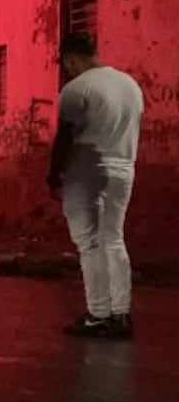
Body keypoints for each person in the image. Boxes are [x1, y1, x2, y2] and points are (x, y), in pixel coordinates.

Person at [49, 33, 143, 339]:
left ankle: (98, 313)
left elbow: (64, 138)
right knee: (113, 239)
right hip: (124, 168)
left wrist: (54, 175)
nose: (67, 69)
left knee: (89, 244)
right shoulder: (130, 85)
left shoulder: (76, 89)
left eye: (66, 63)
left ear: (71, 57)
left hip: (87, 172)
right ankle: (121, 313)